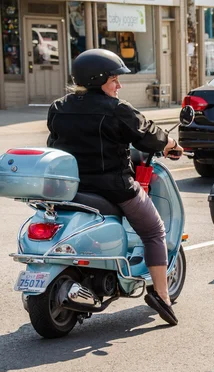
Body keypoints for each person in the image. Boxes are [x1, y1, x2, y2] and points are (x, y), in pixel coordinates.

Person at [46, 49, 183, 326]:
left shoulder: (59, 107)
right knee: (155, 231)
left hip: (71, 188)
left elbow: (54, 142)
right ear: (98, 80)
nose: (119, 85)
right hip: (114, 187)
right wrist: (170, 144)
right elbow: (147, 133)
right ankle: (162, 296)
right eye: (114, 80)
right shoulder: (116, 110)